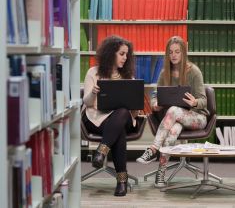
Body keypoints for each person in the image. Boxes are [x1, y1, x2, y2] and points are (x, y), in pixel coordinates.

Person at [136, 36, 209, 188]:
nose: (174, 55)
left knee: (174, 110)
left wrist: (194, 102)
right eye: (171, 52)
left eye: (177, 51)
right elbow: (155, 96)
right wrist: (155, 104)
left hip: (197, 117)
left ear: (183, 53)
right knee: (172, 133)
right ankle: (161, 173)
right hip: (175, 120)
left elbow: (204, 101)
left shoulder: (194, 71)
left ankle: (153, 149)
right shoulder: (164, 73)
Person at [82, 35, 139, 196]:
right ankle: (122, 180)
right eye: (122, 53)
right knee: (118, 131)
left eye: (127, 54)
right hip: (96, 118)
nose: (125, 57)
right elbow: (86, 102)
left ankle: (101, 151)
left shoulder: (128, 77)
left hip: (122, 118)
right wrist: (93, 93)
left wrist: (136, 105)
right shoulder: (93, 72)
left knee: (121, 112)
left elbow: (133, 111)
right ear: (111, 53)